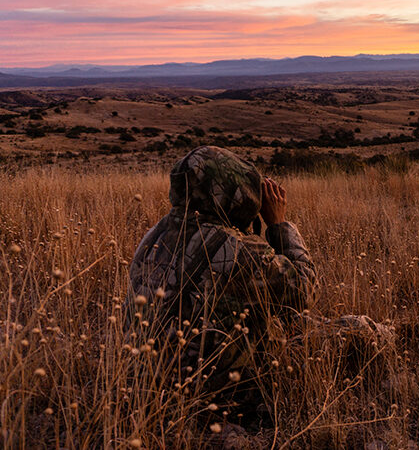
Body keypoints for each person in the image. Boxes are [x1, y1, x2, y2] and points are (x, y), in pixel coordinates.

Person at [126, 146, 316, 421]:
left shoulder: (154, 235)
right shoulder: (236, 250)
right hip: (214, 398)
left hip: (145, 384)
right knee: (358, 328)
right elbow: (304, 292)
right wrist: (279, 225)